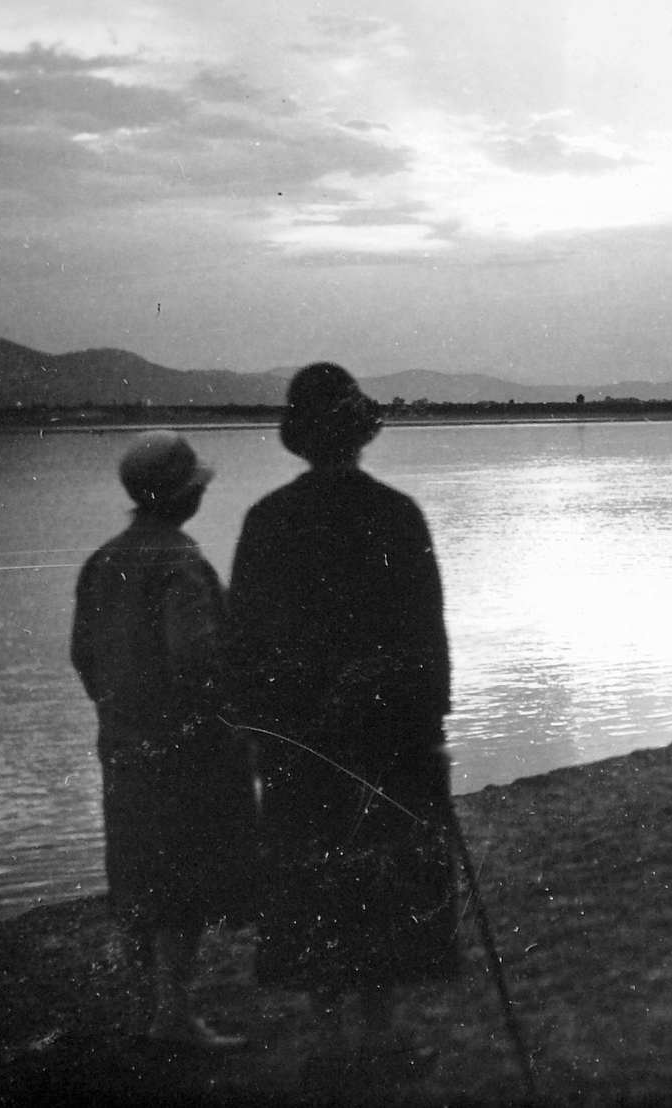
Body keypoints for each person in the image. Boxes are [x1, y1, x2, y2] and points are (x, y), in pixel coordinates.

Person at [227, 363, 456, 1064]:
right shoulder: (394, 513)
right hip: (385, 733)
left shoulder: (267, 520)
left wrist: (265, 728)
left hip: (303, 739)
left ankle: (331, 1037)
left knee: (317, 882)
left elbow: (244, 646)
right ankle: (378, 1030)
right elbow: (427, 637)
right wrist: (431, 722)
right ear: (360, 433)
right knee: (379, 878)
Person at [71, 431, 255, 1049]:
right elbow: (198, 661)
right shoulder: (179, 562)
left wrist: (120, 711)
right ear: (183, 497)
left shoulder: (103, 561)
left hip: (124, 748)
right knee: (180, 886)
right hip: (185, 753)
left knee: (136, 880)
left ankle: (144, 1010)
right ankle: (173, 1015)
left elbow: (85, 656)